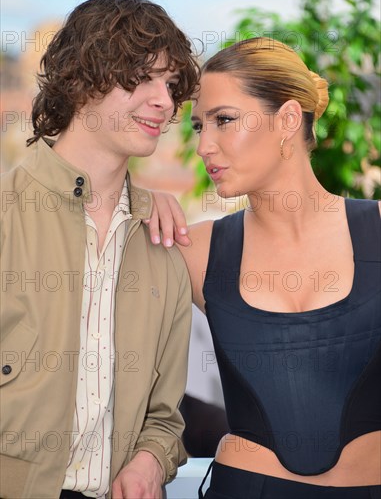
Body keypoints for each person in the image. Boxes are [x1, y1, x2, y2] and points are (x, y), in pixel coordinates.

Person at [148, 37, 381, 498]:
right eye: (199, 127)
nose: (204, 146)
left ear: (288, 120)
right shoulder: (195, 250)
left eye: (225, 120)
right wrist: (136, 200)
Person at [0, 0, 200, 499]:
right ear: (81, 77)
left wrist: (153, 460)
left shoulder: (164, 242)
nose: (165, 102)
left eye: (172, 85)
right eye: (143, 77)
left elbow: (165, 416)